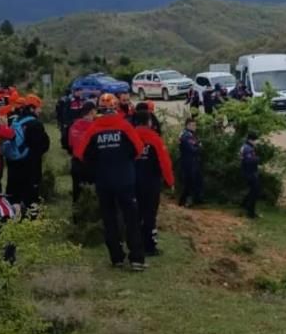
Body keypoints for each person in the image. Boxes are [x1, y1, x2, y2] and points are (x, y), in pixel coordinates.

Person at [73, 93, 147, 271]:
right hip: (125, 180)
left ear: (99, 109)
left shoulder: (93, 129)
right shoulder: (124, 126)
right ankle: (136, 259)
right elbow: (138, 149)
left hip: (103, 182)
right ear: (115, 108)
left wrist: (96, 166)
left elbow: (80, 154)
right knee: (131, 219)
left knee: (109, 220)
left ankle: (116, 258)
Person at [134, 110, 175, 255]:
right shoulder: (154, 138)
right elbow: (165, 162)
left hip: (133, 182)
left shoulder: (129, 136)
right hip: (151, 182)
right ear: (148, 122)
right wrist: (170, 181)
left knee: (136, 214)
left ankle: (135, 245)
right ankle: (149, 246)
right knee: (150, 215)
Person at [5, 94, 51, 216]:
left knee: (14, 195)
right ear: (32, 108)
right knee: (31, 196)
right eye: (38, 108)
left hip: (13, 165)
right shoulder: (35, 124)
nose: (40, 111)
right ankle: (32, 221)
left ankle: (11, 218)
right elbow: (43, 146)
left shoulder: (14, 120)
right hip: (30, 166)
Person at [68, 101, 98, 202]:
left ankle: (76, 213)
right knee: (92, 191)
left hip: (76, 162)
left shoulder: (74, 125)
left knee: (77, 191)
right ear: (91, 112)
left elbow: (70, 144)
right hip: (90, 163)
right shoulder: (94, 127)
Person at [178, 118, 203, 207]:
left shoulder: (191, 135)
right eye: (193, 125)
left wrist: (197, 146)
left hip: (192, 161)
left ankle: (191, 200)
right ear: (187, 125)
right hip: (188, 162)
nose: (195, 127)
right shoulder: (186, 135)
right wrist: (199, 147)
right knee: (189, 182)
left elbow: (196, 144)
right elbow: (193, 149)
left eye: (195, 125)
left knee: (195, 181)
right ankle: (185, 201)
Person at [240, 132, 261, 219]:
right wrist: (257, 159)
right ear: (250, 140)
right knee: (254, 192)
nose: (256, 142)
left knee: (252, 191)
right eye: (255, 140)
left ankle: (245, 205)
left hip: (248, 172)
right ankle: (250, 212)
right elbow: (249, 161)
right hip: (250, 173)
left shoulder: (246, 146)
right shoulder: (248, 149)